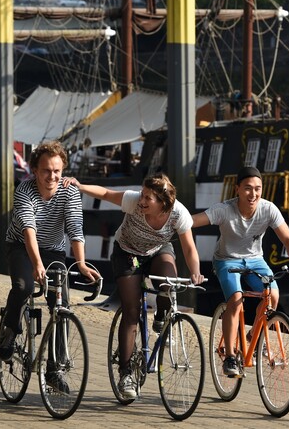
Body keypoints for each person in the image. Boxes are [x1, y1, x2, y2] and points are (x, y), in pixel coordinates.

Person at [66, 172, 203, 401]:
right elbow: (107, 193)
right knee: (131, 311)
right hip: (128, 252)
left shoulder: (179, 214)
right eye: (142, 194)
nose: (142, 200)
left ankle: (161, 316)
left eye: (148, 198)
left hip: (157, 251)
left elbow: (189, 248)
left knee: (168, 284)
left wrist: (196, 272)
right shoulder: (133, 201)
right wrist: (80, 186)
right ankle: (126, 373)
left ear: (163, 201)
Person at [0, 141, 101, 394]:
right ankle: (10, 330)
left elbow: (75, 229)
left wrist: (81, 264)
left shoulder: (69, 192)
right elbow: (28, 230)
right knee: (23, 287)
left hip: (53, 249)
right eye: (46, 171)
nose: (52, 176)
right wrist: (36, 265)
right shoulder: (24, 190)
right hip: (21, 246)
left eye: (57, 171)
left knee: (60, 304)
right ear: (34, 170)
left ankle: (54, 369)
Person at [191, 166, 289, 377]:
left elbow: (288, 239)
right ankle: (230, 357)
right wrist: (172, 219)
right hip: (226, 260)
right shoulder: (224, 210)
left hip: (255, 260)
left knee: (272, 295)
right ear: (237, 189)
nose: (253, 194)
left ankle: (252, 336)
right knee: (236, 299)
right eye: (247, 188)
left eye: (257, 189)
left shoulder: (268, 209)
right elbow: (192, 221)